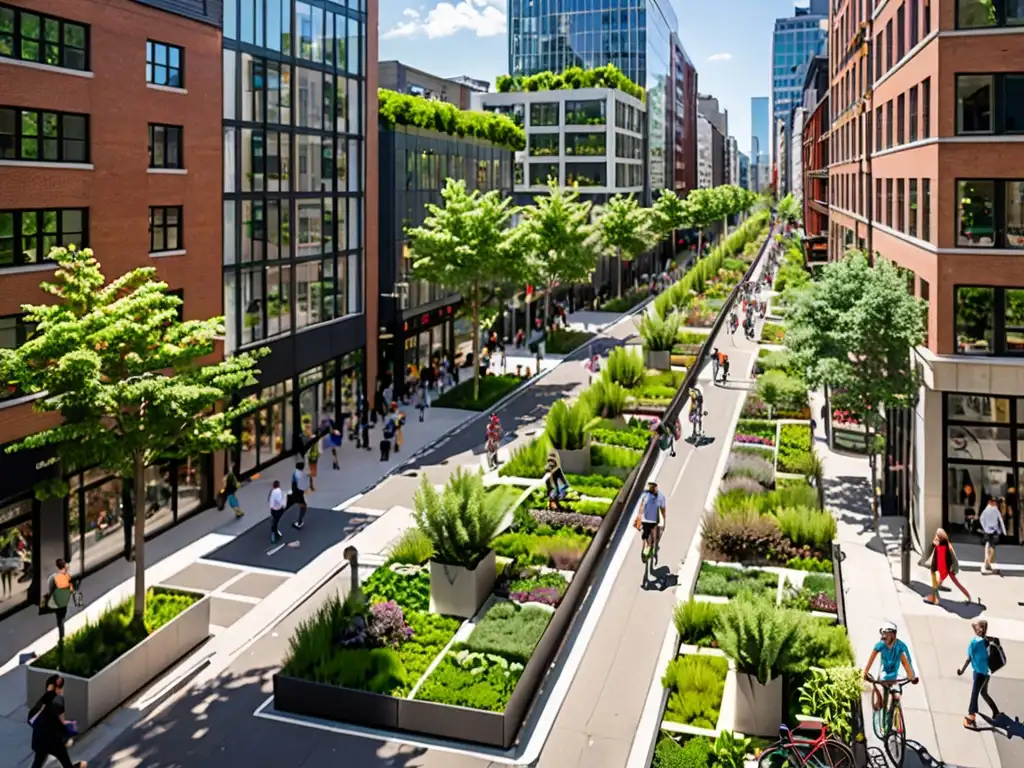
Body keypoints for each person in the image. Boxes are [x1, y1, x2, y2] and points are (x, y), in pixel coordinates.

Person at [27, 675, 86, 768]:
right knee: (65, 760)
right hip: (54, 741)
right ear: (58, 688)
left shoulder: (42, 700)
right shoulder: (59, 700)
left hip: (39, 739)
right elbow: (62, 721)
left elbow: (30, 720)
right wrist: (70, 724)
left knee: (38, 761)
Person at [863, 621, 919, 713]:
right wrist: (865, 673)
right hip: (884, 673)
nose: (887, 637)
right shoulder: (880, 645)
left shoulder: (900, 646)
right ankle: (880, 701)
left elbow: (907, 661)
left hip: (895, 674)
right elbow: (871, 660)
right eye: (885, 635)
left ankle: (894, 709)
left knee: (896, 692)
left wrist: (912, 676)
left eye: (889, 635)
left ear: (894, 635)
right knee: (880, 689)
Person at [958, 619, 1001, 728]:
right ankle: (996, 712)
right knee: (983, 692)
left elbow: (969, 658)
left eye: (976, 628)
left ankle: (971, 716)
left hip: (978, 672)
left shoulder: (975, 643)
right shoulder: (987, 641)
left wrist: (962, 670)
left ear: (980, 630)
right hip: (986, 672)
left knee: (975, 694)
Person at [926, 528, 971, 605]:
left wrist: (941, 571)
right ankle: (969, 597)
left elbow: (941, 560)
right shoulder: (946, 545)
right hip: (948, 568)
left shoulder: (941, 547)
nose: (935, 537)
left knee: (935, 585)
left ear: (940, 537)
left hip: (945, 569)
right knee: (956, 583)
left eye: (937, 536)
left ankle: (935, 598)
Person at [635, 481, 667, 582]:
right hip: (653, 521)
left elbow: (640, 508)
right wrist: (664, 519)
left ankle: (645, 549)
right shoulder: (660, 496)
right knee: (653, 536)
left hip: (644, 520)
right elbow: (663, 509)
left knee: (645, 535)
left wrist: (638, 519)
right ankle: (650, 548)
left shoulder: (644, 495)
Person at [41, 560, 75, 644]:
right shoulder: (67, 576)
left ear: (56, 567)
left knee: (59, 619)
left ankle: (61, 637)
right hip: (64, 600)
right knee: (61, 617)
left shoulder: (53, 578)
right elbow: (71, 589)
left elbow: (50, 591)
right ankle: (62, 635)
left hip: (57, 601)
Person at [979, 497, 1007, 574]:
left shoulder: (986, 509)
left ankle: (987, 563)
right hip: (993, 531)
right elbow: (1000, 520)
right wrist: (1004, 531)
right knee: (991, 546)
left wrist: (985, 527)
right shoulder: (995, 509)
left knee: (989, 545)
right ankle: (987, 563)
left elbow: (981, 519)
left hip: (988, 530)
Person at [290, 461, 309, 530]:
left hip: (297, 492)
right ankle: (299, 523)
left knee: (303, 506)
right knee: (303, 507)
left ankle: (300, 522)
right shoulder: (299, 474)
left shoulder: (295, 473)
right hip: (298, 493)